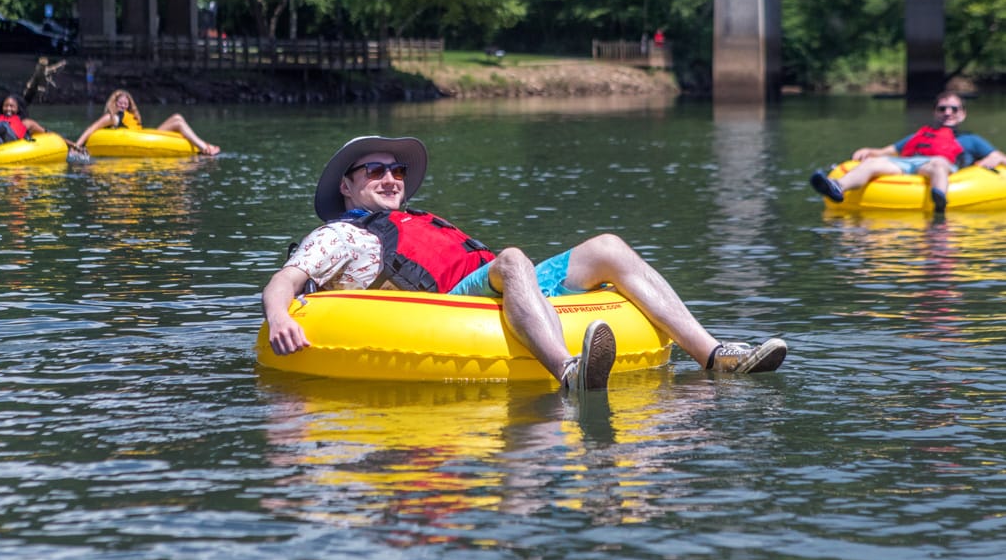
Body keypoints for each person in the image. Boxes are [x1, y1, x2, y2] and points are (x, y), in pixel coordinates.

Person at [261, 136, 788, 393]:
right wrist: (281, 315)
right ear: (346, 185)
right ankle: (569, 370)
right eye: (374, 170)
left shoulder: (416, 219)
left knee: (607, 246)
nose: (390, 178)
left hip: (487, 289)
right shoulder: (342, 236)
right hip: (446, 308)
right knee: (512, 258)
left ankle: (715, 356)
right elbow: (285, 279)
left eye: (396, 170)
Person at [810, 90, 1006, 212]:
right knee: (871, 163)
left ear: (962, 114)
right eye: (942, 109)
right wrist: (869, 151)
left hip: (937, 165)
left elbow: (1000, 157)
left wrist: (995, 157)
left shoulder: (971, 140)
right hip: (908, 165)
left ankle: (939, 198)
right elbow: (887, 151)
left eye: (954, 109)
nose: (948, 113)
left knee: (938, 164)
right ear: (935, 112)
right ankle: (837, 187)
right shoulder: (921, 135)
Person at [73, 88, 221, 155]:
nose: (123, 106)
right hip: (139, 140)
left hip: (146, 136)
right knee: (178, 121)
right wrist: (77, 146)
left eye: (126, 103)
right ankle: (205, 148)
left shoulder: (129, 115)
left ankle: (204, 145)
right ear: (114, 103)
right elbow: (92, 128)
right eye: (120, 103)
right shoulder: (113, 117)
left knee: (178, 118)